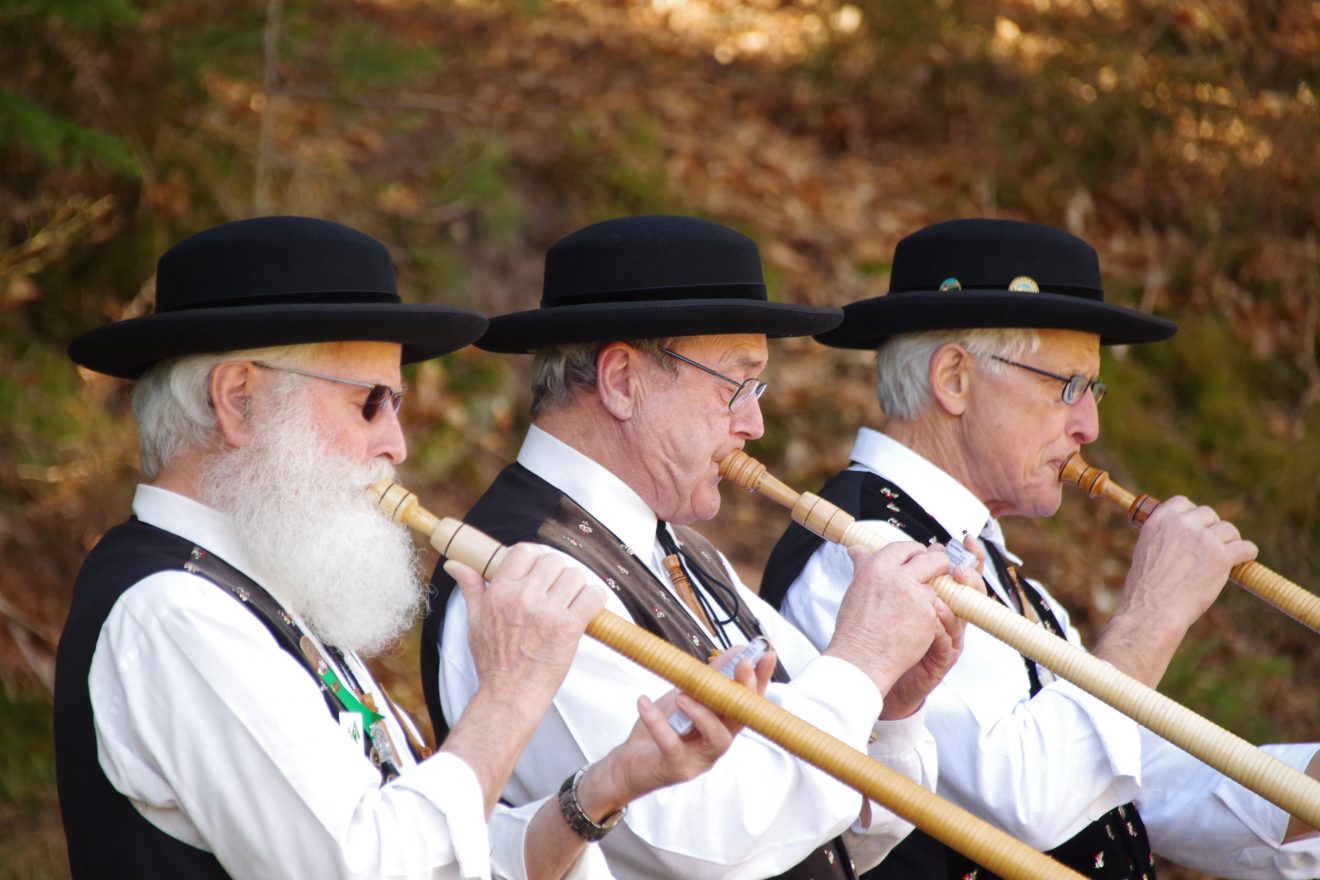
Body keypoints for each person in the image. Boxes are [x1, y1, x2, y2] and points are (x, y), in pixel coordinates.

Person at [53, 215, 761, 880]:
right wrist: (508, 697)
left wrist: (612, 783)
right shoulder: (173, 615)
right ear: (239, 400)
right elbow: (370, 866)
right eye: (370, 402)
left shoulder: (258, 593)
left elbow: (446, 849)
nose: (396, 443)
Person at [761, 217, 1320, 879]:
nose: (1089, 425)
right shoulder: (862, 552)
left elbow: (1136, 777)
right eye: (1068, 387)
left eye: (1094, 390)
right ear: (955, 380)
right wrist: (1151, 617)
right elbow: (1026, 802)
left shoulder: (997, 566)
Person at [422, 214, 977, 880]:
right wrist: (861, 663)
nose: (754, 422)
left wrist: (892, 705)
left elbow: (834, 836)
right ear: (623, 380)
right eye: (735, 385)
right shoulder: (528, 575)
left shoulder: (685, 553)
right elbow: (709, 841)